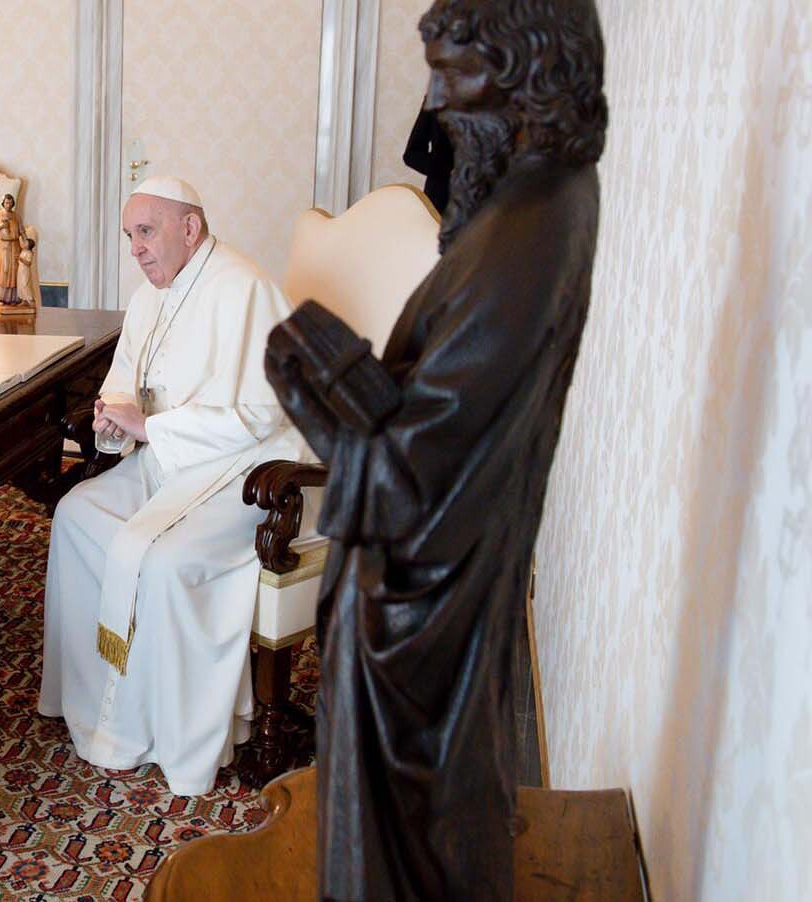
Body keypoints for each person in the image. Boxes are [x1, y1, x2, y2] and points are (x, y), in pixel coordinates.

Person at [264, 1, 608, 896]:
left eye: (456, 73)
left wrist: (316, 381)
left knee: (409, 854)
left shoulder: (526, 235)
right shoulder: (522, 201)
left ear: (527, 69)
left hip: (423, 616)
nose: (437, 101)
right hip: (437, 591)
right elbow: (441, 411)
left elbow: (417, 484)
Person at [38, 176, 305, 796]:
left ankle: (172, 733)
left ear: (191, 228)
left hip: (242, 473)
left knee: (163, 558)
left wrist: (153, 426)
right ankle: (96, 705)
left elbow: (263, 414)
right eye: (130, 236)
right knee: (77, 515)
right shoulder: (149, 296)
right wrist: (116, 416)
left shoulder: (246, 289)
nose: (137, 249)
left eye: (147, 232)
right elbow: (126, 382)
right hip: (166, 463)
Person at [0, 193, 23, 305]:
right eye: (7, 203)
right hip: (5, 246)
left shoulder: (16, 216)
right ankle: (4, 297)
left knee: (16, 270)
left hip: (16, 245)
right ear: (3, 203)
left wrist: (26, 242)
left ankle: (15, 297)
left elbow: (21, 230)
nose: (8, 205)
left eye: (11, 203)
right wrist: (1, 226)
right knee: (5, 270)